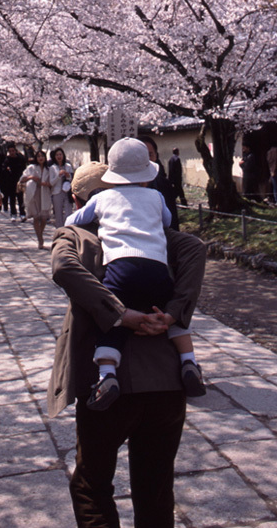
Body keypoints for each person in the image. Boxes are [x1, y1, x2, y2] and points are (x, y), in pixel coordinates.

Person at [48, 161, 207, 528]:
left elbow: (63, 269)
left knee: (92, 484)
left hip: (105, 384)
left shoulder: (74, 235)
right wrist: (173, 314)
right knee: (155, 489)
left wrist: (119, 314)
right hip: (166, 380)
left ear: (78, 200)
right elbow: (196, 249)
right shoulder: (158, 235)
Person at [65, 138, 205, 411]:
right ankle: (189, 361)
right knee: (170, 312)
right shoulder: (155, 196)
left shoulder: (103, 197)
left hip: (120, 269)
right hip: (157, 269)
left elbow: (74, 221)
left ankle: (107, 376)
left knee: (112, 320)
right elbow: (166, 222)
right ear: (146, 175)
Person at [139, 134, 179, 230]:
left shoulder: (164, 184)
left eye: (150, 154)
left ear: (156, 156)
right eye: (141, 155)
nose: (146, 159)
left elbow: (172, 220)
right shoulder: (125, 185)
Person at [20, 149, 52, 248]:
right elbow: (22, 179)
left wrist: (47, 184)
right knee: (36, 217)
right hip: (33, 193)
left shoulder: (49, 169)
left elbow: (52, 182)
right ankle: (40, 239)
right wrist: (31, 177)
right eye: (38, 156)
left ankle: (40, 234)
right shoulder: (31, 168)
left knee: (43, 218)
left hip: (44, 193)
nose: (40, 158)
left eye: (42, 156)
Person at [49, 146, 74, 228]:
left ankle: (68, 229)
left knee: (68, 213)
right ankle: (59, 230)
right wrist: (58, 176)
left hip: (67, 191)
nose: (59, 156)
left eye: (60, 154)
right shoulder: (52, 168)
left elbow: (72, 179)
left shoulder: (68, 166)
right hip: (57, 192)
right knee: (58, 213)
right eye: (57, 155)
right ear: (54, 157)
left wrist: (68, 175)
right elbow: (51, 182)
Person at [1, 143, 27, 221]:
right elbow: (3, 170)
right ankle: (13, 214)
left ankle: (22, 214)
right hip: (10, 182)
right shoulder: (7, 160)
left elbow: (24, 168)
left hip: (19, 181)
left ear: (15, 151)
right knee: (12, 199)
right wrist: (7, 169)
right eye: (10, 151)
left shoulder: (20, 158)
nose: (12, 152)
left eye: (13, 151)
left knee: (20, 199)